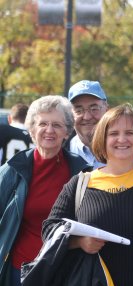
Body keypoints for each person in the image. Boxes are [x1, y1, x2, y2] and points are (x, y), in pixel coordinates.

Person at [43, 103, 133, 285]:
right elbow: (49, 230)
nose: (122, 139)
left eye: (129, 133)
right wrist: (78, 241)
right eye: (113, 134)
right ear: (101, 139)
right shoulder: (80, 183)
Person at [0, 95, 91, 285]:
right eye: (43, 124)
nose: (49, 130)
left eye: (57, 125)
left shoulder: (82, 171)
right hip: (20, 270)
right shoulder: (12, 170)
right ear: (32, 129)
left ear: (67, 131)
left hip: (63, 270)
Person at [67, 79, 133, 172]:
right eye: (79, 110)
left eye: (94, 108)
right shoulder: (60, 154)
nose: (87, 117)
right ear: (70, 114)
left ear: (107, 109)